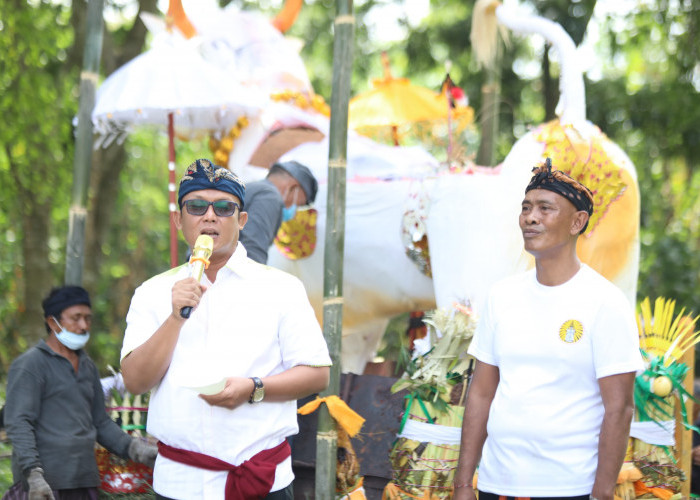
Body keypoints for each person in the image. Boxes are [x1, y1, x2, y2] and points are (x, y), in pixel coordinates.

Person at [119, 158, 331, 499]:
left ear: (242, 220)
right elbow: (135, 380)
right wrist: (175, 317)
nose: (209, 216)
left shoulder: (280, 288)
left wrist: (252, 388)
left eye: (224, 207)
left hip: (263, 482)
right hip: (180, 484)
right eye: (197, 206)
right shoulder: (153, 292)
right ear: (179, 219)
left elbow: (316, 375)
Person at [453, 159, 643, 500]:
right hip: (498, 485)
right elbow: (481, 393)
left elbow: (620, 408)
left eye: (545, 208)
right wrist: (464, 483)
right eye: (526, 208)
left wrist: (601, 495)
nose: (531, 217)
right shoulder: (502, 296)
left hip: (570, 487)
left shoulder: (605, 303)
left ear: (577, 222)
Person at [2, 285, 157, 500]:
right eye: (76, 318)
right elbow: (19, 422)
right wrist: (33, 475)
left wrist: (135, 449)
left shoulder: (87, 366)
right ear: (52, 323)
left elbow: (100, 423)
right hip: (44, 487)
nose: (84, 325)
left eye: (87, 318)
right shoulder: (31, 365)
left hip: (83, 481)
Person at [238, 160, 318, 264]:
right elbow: (253, 250)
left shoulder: (249, 188)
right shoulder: (270, 196)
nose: (294, 210)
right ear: (293, 187)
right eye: (298, 204)